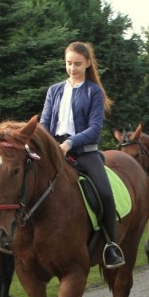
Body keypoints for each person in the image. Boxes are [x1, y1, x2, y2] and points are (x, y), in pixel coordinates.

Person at [40, 41, 124, 268]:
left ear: (88, 63)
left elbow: (94, 129)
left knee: (105, 193)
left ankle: (110, 245)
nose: (72, 68)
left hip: (84, 152)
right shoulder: (54, 90)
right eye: (69, 63)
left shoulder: (94, 91)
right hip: (54, 150)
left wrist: (69, 143)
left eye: (77, 64)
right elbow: (44, 124)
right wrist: (43, 145)